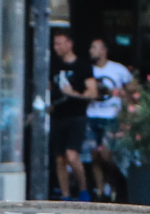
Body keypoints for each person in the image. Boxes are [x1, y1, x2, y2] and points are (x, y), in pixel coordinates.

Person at [84, 37, 133, 201]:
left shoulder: (118, 69)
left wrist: (125, 102)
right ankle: (100, 192)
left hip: (112, 116)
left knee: (106, 154)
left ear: (104, 50)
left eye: (95, 47)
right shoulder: (88, 70)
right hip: (92, 114)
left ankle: (113, 182)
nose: (91, 51)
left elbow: (134, 90)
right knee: (94, 155)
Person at [48, 30, 91, 198]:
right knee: (59, 158)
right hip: (58, 115)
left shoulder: (82, 66)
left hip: (76, 116)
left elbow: (92, 92)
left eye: (59, 43)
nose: (55, 47)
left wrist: (74, 94)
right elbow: (49, 87)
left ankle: (83, 189)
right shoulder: (55, 65)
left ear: (69, 44)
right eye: (54, 43)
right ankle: (65, 195)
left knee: (72, 156)